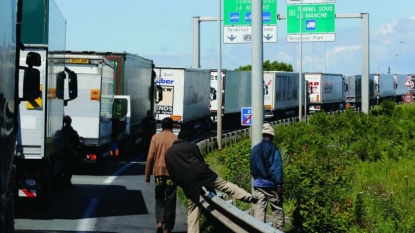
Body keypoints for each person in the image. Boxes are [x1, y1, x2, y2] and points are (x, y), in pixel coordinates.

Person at [165, 129, 259, 233]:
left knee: (193, 208)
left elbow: (172, 174)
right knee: (223, 184)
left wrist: (183, 184)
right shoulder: (192, 146)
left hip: (187, 181)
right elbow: (201, 161)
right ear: (187, 138)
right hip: (203, 173)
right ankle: (246, 196)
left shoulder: (169, 153)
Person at [144, 117, 178, 233]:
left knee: (159, 199)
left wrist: (147, 175)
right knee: (171, 201)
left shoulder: (155, 138)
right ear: (172, 126)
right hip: (172, 174)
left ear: (162, 127)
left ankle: (159, 223)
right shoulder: (176, 139)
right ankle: (167, 229)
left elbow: (150, 158)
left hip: (158, 173)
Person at [249, 123, 284, 231]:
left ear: (263, 135)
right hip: (271, 185)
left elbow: (252, 167)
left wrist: (257, 178)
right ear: (272, 136)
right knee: (277, 209)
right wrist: (278, 184)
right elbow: (276, 168)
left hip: (258, 184)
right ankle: (279, 230)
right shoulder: (274, 149)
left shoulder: (255, 148)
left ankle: (259, 230)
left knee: (259, 209)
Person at [62, 115, 80, 189]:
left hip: (73, 150)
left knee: (71, 167)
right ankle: (66, 182)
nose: (70, 121)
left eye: (70, 120)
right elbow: (67, 141)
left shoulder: (70, 129)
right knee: (68, 168)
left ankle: (67, 181)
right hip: (69, 152)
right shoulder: (66, 129)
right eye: (68, 120)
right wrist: (72, 151)